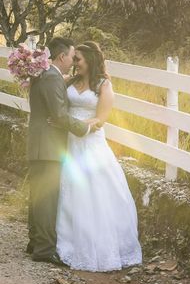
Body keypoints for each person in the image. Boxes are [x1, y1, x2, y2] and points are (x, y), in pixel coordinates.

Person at [55, 41, 142, 271]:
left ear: (90, 61)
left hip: (90, 142)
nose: (74, 63)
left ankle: (101, 248)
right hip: (71, 143)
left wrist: (73, 124)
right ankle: (70, 242)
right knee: (72, 191)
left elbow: (101, 119)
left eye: (78, 60)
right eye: (74, 59)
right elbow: (52, 82)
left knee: (96, 191)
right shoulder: (71, 81)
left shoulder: (104, 85)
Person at [26, 37, 97, 264]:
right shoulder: (51, 77)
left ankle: (36, 242)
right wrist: (84, 128)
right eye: (72, 56)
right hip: (47, 145)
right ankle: (44, 249)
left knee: (38, 195)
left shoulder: (48, 75)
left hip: (41, 143)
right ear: (61, 56)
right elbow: (58, 114)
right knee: (46, 197)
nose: (73, 61)